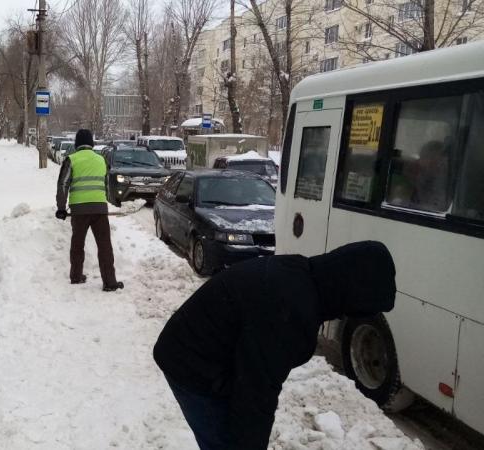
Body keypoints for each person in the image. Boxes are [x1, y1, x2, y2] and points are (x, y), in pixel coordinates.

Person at [153, 241, 397, 449]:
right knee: (225, 442)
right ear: (351, 292)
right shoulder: (290, 309)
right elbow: (256, 392)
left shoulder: (304, 276)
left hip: (210, 351)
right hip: (189, 361)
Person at [55, 129, 123, 292]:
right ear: (91, 143)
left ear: (77, 144)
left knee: (77, 244)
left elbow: (63, 185)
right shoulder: (102, 160)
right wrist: (104, 201)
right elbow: (106, 185)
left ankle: (76, 276)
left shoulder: (71, 159)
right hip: (100, 209)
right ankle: (110, 282)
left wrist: (61, 208)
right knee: (104, 245)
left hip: (79, 210)